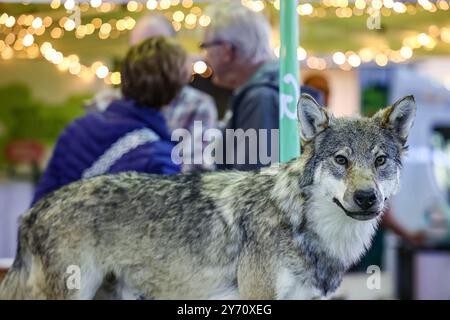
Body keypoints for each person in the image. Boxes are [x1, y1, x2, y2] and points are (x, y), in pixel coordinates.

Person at [31, 37, 187, 206]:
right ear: (176, 90)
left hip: (59, 230)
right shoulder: (161, 157)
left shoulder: (76, 128)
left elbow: (39, 205)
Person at [87, 14, 218, 172]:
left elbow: (198, 171)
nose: (148, 60)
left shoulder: (198, 105)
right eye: (140, 49)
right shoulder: (105, 103)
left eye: (158, 49)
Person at [202, 3, 324, 171]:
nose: (205, 57)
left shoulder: (260, 99)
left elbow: (251, 185)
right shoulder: (277, 92)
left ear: (226, 50)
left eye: (206, 47)